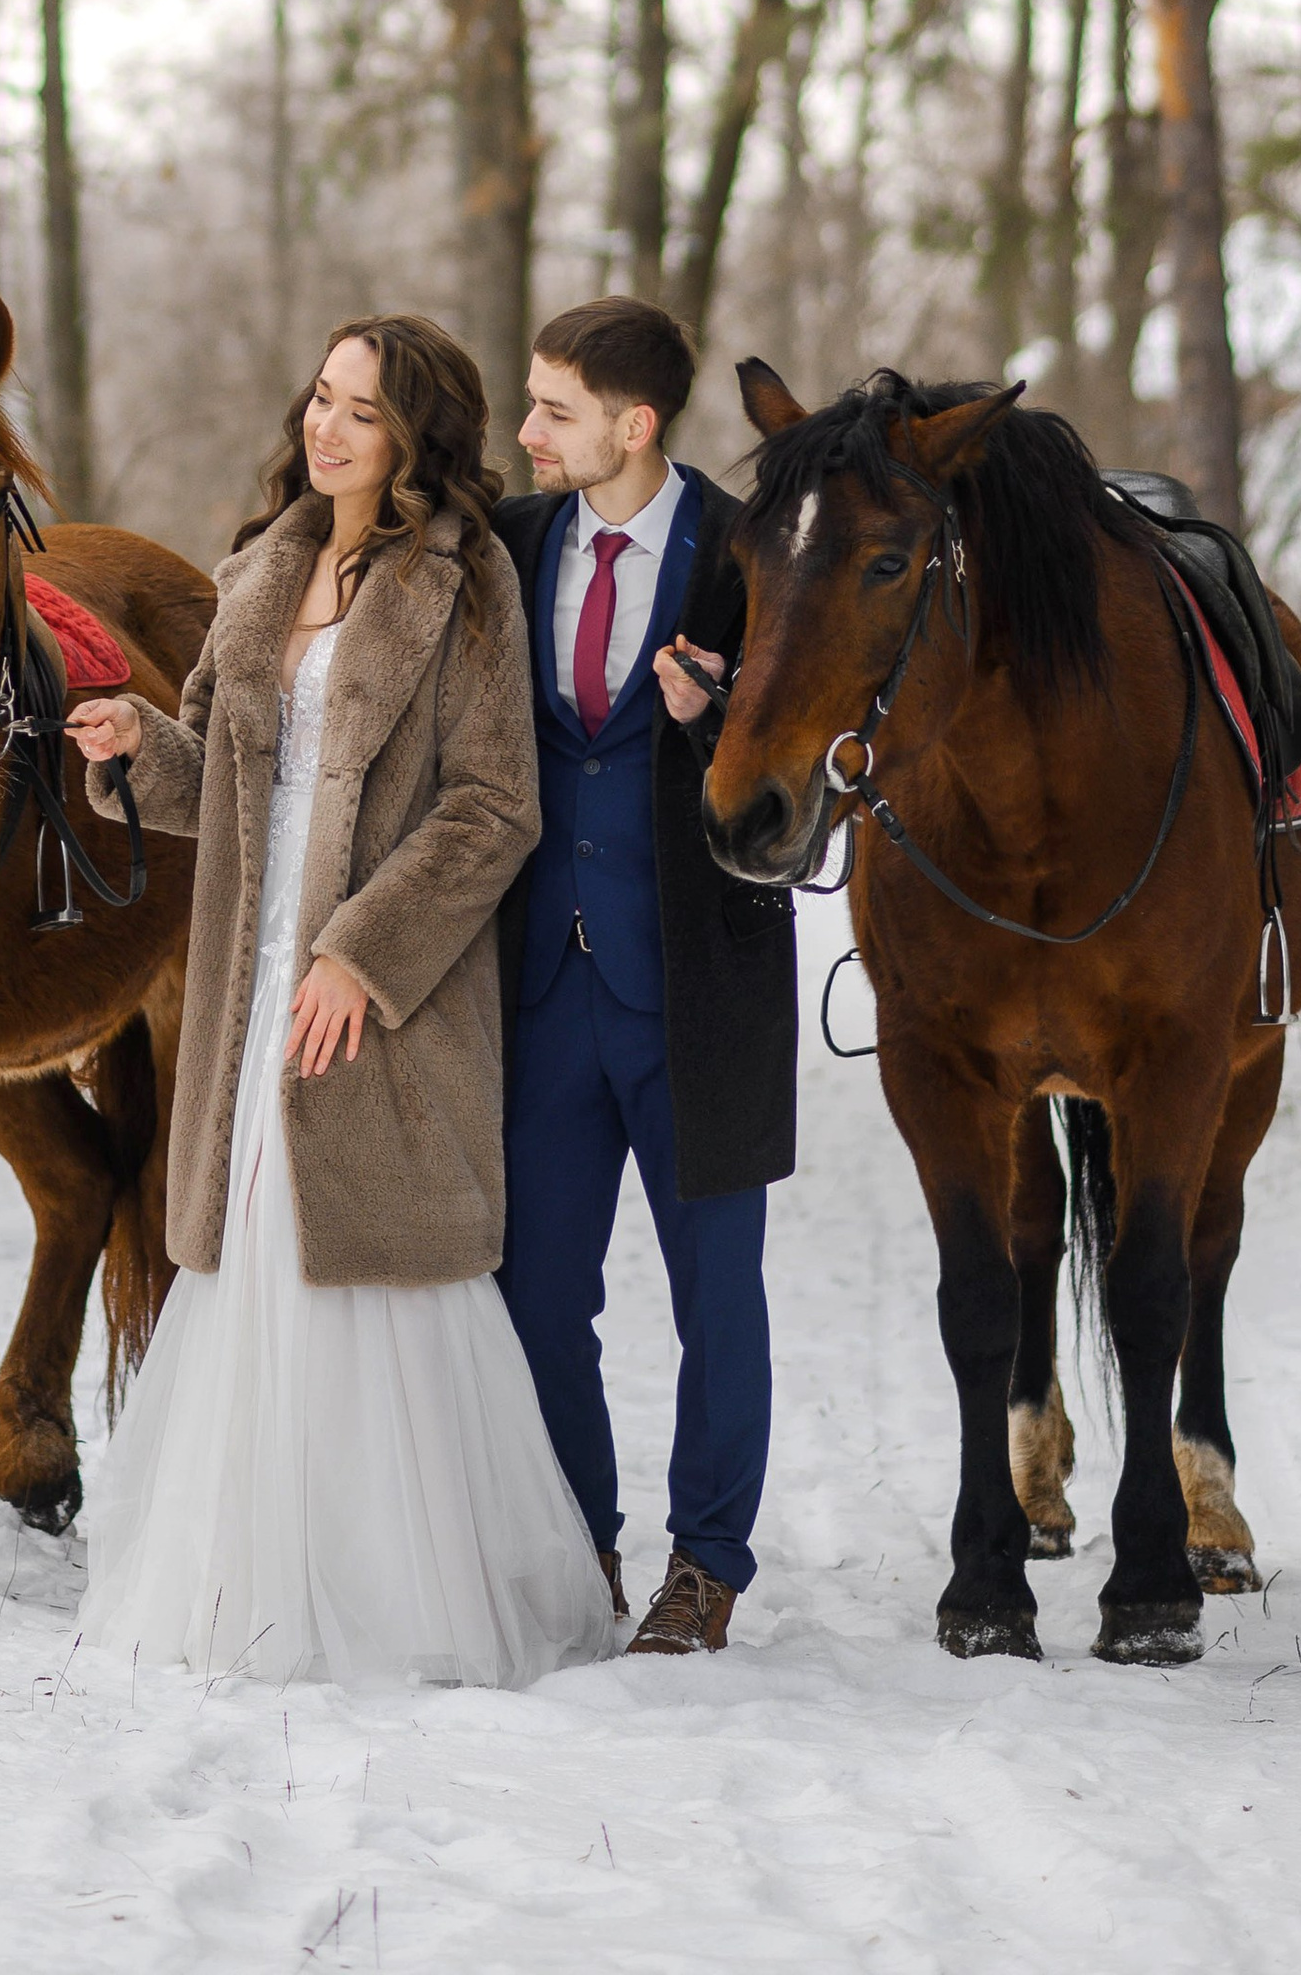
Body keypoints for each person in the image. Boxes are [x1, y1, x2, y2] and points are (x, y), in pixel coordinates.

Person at [67, 315, 614, 1690]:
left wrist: (362, 955)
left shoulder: (467, 583)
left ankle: (394, 1601)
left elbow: (497, 810)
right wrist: (141, 750)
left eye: (361, 412)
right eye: (321, 397)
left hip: (383, 989)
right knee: (251, 1253)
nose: (326, 429)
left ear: (414, 438)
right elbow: (228, 791)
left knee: (372, 1267)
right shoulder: (258, 571)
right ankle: (246, 1587)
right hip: (251, 986)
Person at [491, 298, 798, 1656]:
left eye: (553, 409)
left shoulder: (751, 559)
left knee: (714, 1300)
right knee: (538, 1295)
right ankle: (577, 1544)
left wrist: (721, 711)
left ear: (635, 423)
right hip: (543, 991)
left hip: (702, 992)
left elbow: (807, 763)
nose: (527, 431)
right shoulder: (508, 545)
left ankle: (706, 1566)